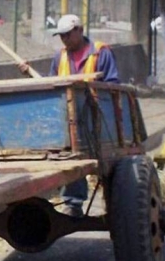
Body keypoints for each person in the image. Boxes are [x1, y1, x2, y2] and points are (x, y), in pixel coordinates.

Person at [18, 14, 119, 216]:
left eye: (67, 35)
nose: (64, 39)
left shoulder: (100, 53)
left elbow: (112, 84)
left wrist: (89, 90)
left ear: (80, 31)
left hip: (95, 116)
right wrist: (30, 73)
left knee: (91, 156)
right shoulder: (60, 57)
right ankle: (73, 203)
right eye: (61, 36)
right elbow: (51, 83)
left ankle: (113, 200)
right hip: (67, 119)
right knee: (69, 156)